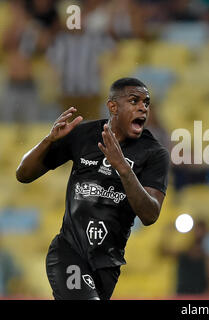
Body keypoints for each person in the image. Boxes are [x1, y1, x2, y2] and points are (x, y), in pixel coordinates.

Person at [15, 77, 170, 300]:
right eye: (134, 100)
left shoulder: (154, 154)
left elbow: (150, 214)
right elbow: (23, 175)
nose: (142, 108)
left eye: (146, 102)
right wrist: (48, 141)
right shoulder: (83, 135)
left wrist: (124, 169)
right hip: (69, 252)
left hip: (107, 263)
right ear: (113, 106)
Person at [160, 219, 209, 296]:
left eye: (201, 230)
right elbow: (163, 251)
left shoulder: (208, 258)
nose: (198, 232)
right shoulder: (183, 253)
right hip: (181, 297)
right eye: (197, 229)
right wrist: (169, 231)